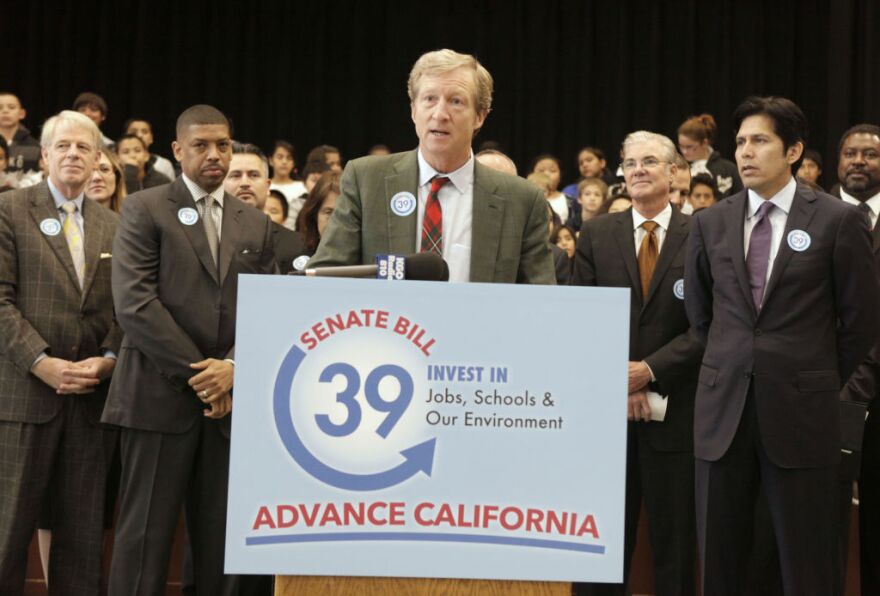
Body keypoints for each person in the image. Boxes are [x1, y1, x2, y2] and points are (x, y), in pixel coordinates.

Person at [684, 96, 879, 595]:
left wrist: (813, 373)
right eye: (741, 142)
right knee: (718, 562)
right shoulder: (709, 222)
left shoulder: (837, 221)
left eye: (760, 141)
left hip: (802, 411)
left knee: (806, 562)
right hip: (722, 410)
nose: (746, 152)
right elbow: (702, 317)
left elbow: (861, 320)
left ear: (793, 151)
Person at [102, 104, 277, 595]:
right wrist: (205, 376)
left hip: (230, 409)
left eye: (223, 144)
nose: (214, 154)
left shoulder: (255, 222)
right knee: (143, 545)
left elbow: (270, 308)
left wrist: (235, 368)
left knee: (221, 551)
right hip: (157, 400)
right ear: (178, 151)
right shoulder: (144, 206)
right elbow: (135, 305)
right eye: (201, 145)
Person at [573, 131, 701, 596]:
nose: (639, 170)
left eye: (650, 161)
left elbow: (709, 327)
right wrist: (620, 384)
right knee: (601, 549)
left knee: (676, 551)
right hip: (607, 421)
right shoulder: (597, 233)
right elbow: (579, 318)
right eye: (630, 163)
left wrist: (649, 372)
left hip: (678, 417)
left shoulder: (702, 233)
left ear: (674, 172)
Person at [0, 110, 121, 594]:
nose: (74, 154)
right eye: (64, 146)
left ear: (97, 160)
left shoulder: (117, 224)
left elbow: (128, 311)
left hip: (91, 402)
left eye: (84, 148)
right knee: (6, 537)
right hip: (23, 400)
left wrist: (111, 357)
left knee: (81, 544)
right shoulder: (9, 210)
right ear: (45, 155)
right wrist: (41, 362)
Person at [307, 49, 554, 285]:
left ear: (480, 116)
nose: (440, 114)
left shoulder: (522, 201)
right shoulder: (365, 180)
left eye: (456, 101)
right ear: (413, 109)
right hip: (388, 328)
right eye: (429, 99)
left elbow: (541, 301)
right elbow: (327, 277)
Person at [834, 123, 880, 595]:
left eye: (870, 153)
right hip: (828, 386)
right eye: (850, 153)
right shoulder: (813, 215)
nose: (860, 161)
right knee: (822, 518)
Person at [225, 142, 305, 274]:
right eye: (235, 175)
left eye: (254, 175)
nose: (245, 183)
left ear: (268, 186)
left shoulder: (295, 244)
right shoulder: (207, 238)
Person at [678, 113, 742, 197]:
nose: (684, 151)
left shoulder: (727, 169)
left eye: (689, 147)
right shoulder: (679, 169)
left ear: (705, 143)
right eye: (681, 146)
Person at [297, 171, 341, 257]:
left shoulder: (370, 263)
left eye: (341, 213)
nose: (335, 221)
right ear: (314, 216)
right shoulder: (299, 266)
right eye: (328, 212)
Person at [268, 140, 307, 227]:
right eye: (279, 157)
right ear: (270, 160)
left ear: (294, 163)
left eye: (289, 158)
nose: (284, 162)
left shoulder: (302, 188)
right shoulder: (265, 185)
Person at [0, 92, 41, 173]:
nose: (5, 111)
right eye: (0, 108)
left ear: (22, 113)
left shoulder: (35, 146)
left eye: (11, 107)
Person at [531, 154, 572, 225]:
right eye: (541, 170)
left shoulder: (570, 201)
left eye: (552, 171)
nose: (546, 174)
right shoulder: (525, 200)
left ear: (560, 177)